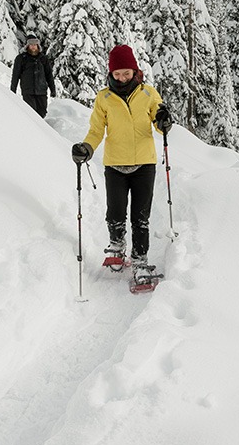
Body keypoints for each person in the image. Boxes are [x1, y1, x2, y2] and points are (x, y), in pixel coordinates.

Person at [71, 44, 173, 280]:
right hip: (115, 165)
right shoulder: (104, 98)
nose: (122, 77)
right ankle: (117, 246)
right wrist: (86, 148)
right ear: (111, 74)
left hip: (144, 165)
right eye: (117, 74)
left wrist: (164, 120)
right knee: (115, 212)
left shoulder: (148, 93)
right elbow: (96, 131)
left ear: (134, 70)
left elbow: (160, 126)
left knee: (140, 216)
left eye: (126, 73)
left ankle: (140, 260)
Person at [11, 35, 56, 118]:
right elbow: (15, 75)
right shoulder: (21, 58)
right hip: (28, 92)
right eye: (31, 45)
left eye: (35, 45)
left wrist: (52, 89)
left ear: (38, 46)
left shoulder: (43, 59)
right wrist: (12, 91)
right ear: (27, 46)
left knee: (42, 114)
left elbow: (49, 75)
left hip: (41, 91)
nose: (33, 47)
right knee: (32, 115)